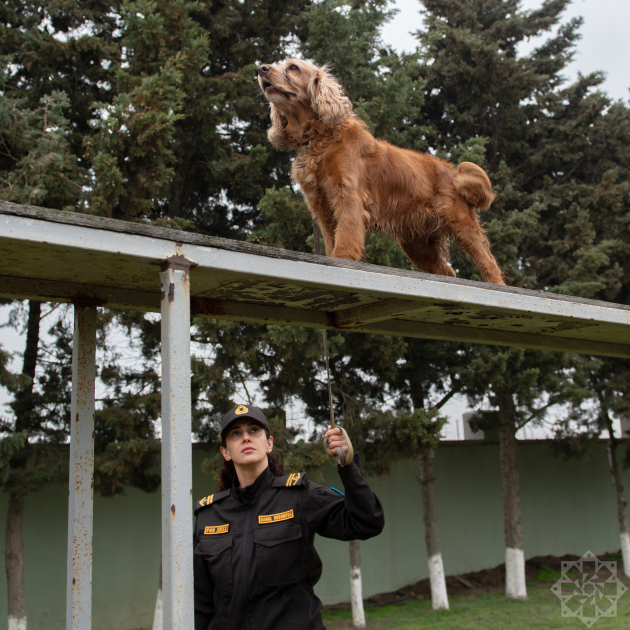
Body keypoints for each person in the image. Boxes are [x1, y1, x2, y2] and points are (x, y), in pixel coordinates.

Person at [194, 404, 384, 630]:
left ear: (269, 443)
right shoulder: (209, 515)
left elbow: (366, 521)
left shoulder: (298, 496)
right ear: (225, 452)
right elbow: (201, 604)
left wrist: (348, 466)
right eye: (236, 433)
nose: (246, 437)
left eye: (254, 430)